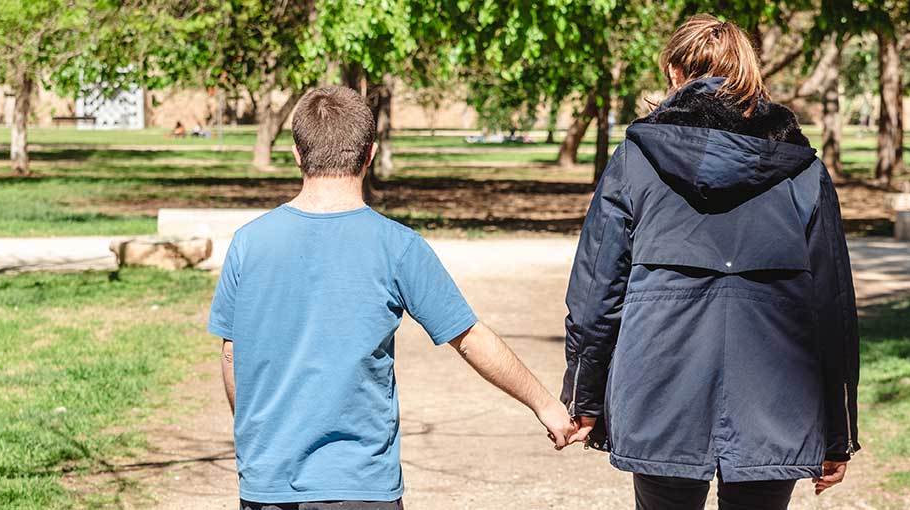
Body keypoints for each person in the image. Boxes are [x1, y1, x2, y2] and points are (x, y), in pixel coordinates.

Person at [209, 85, 576, 510]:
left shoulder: (248, 243)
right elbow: (469, 338)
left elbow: (232, 353)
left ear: (296, 153)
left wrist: (260, 439)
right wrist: (546, 405)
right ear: (369, 154)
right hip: (360, 485)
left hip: (266, 482)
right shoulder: (397, 245)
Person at [560, 14, 861, 510]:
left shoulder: (636, 158)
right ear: (749, 72)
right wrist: (837, 429)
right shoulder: (803, 168)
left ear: (676, 73)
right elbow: (833, 308)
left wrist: (583, 398)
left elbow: (596, 293)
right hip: (776, 396)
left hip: (661, 387)